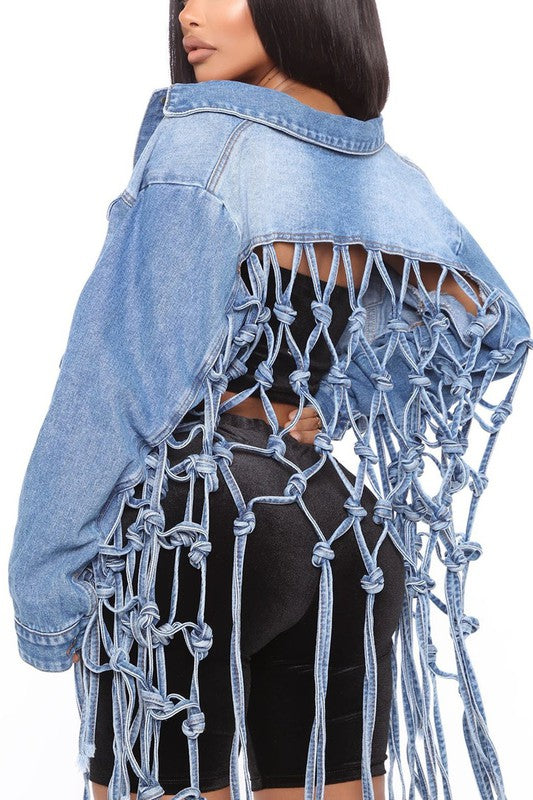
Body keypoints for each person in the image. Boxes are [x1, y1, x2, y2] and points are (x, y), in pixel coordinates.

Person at [8, 1, 532, 799]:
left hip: (193, 527)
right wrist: (327, 402)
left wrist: (45, 586)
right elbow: (489, 325)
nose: (189, 15)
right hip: (341, 524)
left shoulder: (205, 145)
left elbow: (114, 376)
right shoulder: (391, 178)